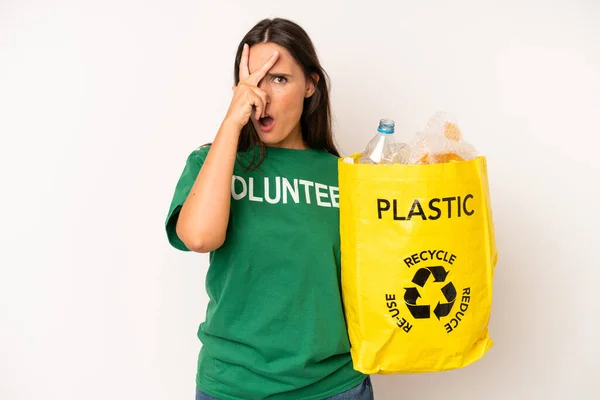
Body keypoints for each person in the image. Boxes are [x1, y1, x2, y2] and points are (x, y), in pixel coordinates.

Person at [165, 18, 374, 400]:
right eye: (253, 80)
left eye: (278, 79)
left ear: (310, 84)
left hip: (334, 386)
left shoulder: (346, 176)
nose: (262, 96)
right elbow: (198, 237)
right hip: (232, 387)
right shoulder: (212, 164)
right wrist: (231, 123)